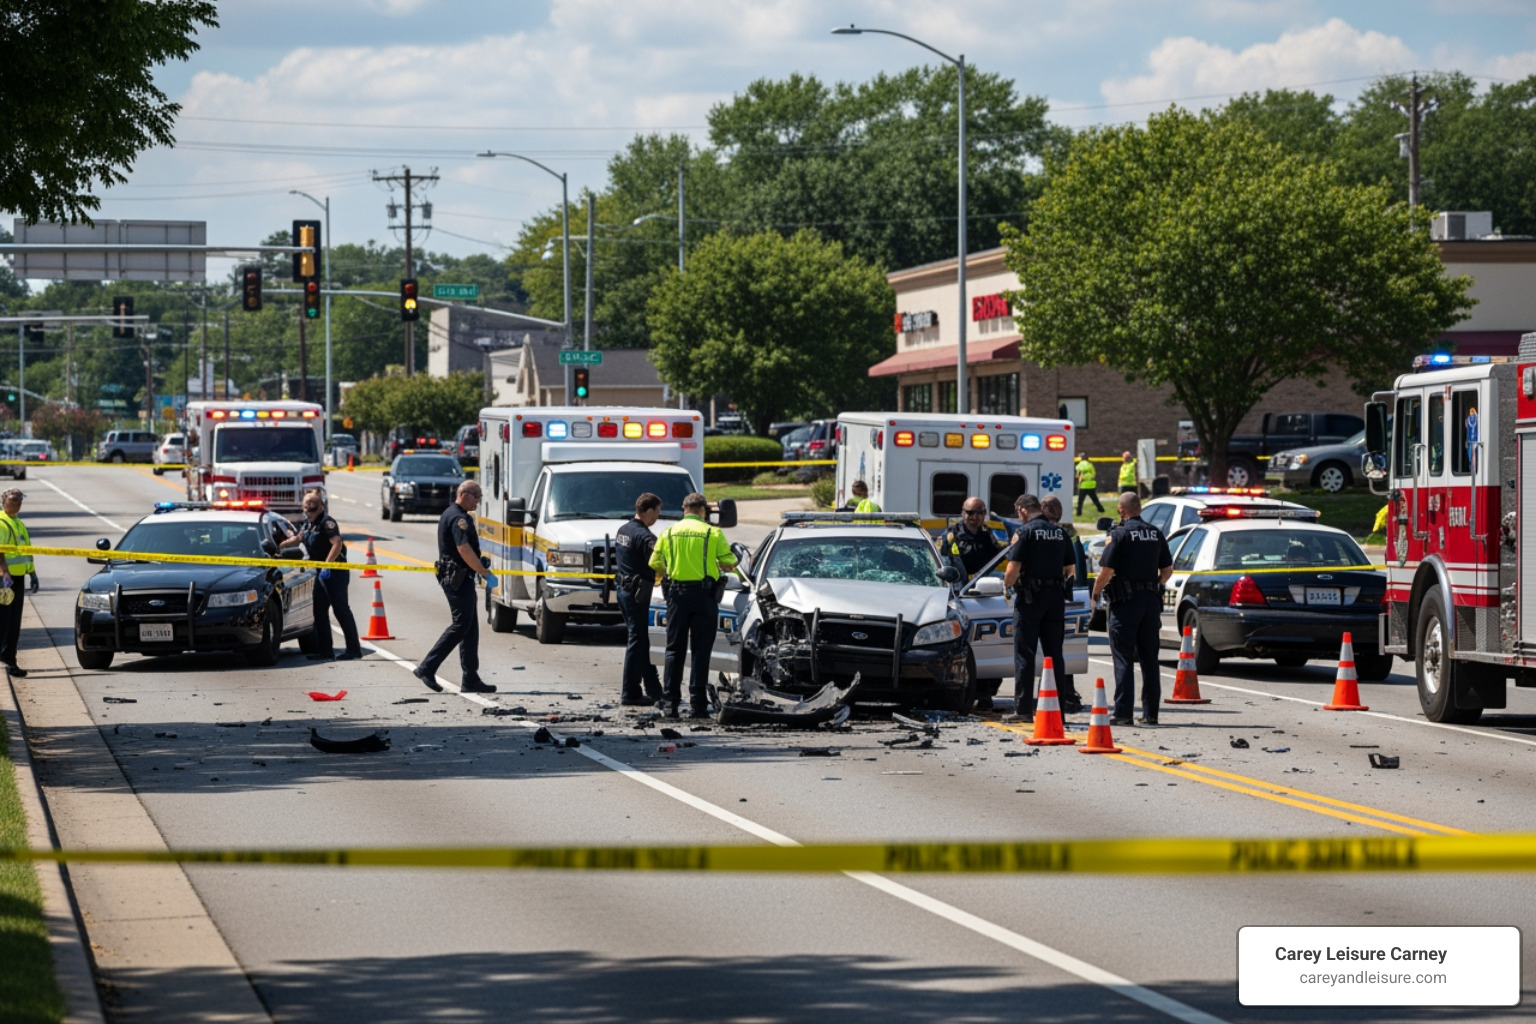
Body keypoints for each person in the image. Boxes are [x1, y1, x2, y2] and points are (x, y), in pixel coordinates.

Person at [649, 492, 738, 718]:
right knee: (700, 650)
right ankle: (698, 705)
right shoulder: (712, 532)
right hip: (704, 596)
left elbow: (655, 562)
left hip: (677, 596)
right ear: (703, 511)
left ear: (684, 509)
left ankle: (670, 703)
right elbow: (729, 562)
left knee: (674, 649)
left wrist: (672, 567)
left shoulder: (668, 532)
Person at [1091, 492, 1173, 726]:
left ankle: (1124, 714)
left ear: (1120, 509)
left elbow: (1106, 572)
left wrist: (1096, 593)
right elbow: (1167, 570)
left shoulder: (1119, 534)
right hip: (1150, 602)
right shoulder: (1155, 533)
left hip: (1125, 604)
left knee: (1123, 658)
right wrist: (1153, 585)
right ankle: (1150, 714)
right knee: (1149, 658)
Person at [414, 480, 497, 694]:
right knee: (461, 625)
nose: (479, 500)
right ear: (465, 494)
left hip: (461, 577)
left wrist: (479, 563)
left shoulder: (453, 514)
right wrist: (485, 573)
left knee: (470, 628)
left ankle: (470, 677)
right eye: (477, 495)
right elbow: (463, 550)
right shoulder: (459, 518)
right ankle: (427, 667)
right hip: (456, 578)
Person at [1002, 493, 1077, 722]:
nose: (1019, 517)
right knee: (1055, 654)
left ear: (1023, 509)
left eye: (1018, 512)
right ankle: (1058, 710)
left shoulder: (1025, 533)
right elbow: (1071, 570)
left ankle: (1023, 710)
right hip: (1055, 598)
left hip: (1030, 599)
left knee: (1025, 653)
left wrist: (1008, 586)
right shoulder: (1060, 532)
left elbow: (1013, 568)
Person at [280, 489, 363, 662]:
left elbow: (337, 542)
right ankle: (325, 651)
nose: (308, 507)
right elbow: (298, 538)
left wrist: (328, 564)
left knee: (341, 610)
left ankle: (354, 650)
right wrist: (280, 546)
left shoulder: (327, 522)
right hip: (320, 573)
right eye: (306, 505)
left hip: (335, 572)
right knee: (319, 611)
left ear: (321, 506)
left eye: (312, 504)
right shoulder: (308, 524)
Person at [615, 492, 664, 706]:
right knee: (637, 641)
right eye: (657, 513)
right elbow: (660, 559)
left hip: (623, 589)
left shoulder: (624, 530)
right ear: (649, 510)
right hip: (637, 593)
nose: (657, 518)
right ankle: (630, 692)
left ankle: (653, 688)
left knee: (641, 640)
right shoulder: (645, 536)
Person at [1040, 495, 1087, 711]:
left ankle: (1055, 695)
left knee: (1030, 650)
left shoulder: (1033, 531)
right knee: (1057, 650)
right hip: (1060, 597)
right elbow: (1074, 569)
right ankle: (1064, 694)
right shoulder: (1067, 533)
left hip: (1036, 598)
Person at [0, 489, 36, 677]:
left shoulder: (17, 522)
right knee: (5, 622)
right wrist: (4, 575)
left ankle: (10, 660)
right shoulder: (1, 523)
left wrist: (33, 573)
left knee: (13, 623)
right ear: (4, 502)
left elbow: (25, 551)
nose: (18, 503)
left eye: (20, 500)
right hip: (6, 580)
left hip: (19, 577)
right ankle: (7, 660)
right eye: (14, 500)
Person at [941, 497, 1003, 582]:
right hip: (958, 583)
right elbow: (942, 563)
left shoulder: (986, 534)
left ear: (984, 514)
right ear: (963, 513)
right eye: (970, 513)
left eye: (979, 513)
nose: (975, 517)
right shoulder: (951, 535)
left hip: (981, 581)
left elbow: (998, 555)